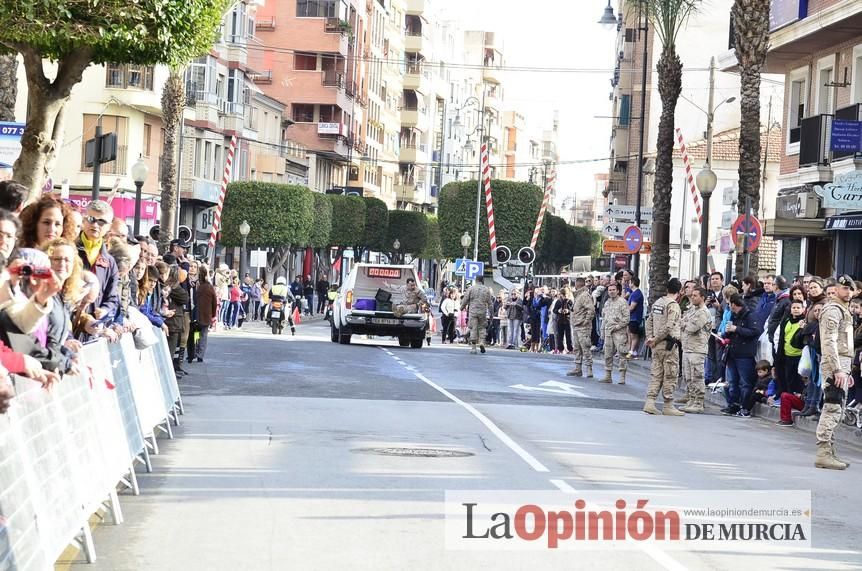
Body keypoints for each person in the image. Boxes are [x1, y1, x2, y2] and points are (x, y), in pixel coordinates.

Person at [814, 274, 856, 470]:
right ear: (836, 289)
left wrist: (847, 372)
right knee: (832, 407)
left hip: (843, 365)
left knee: (838, 408)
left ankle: (830, 450)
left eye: (850, 289)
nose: (848, 292)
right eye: (844, 288)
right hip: (834, 364)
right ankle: (823, 452)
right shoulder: (833, 310)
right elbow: (828, 342)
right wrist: (838, 370)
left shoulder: (844, 310)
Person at [643, 278, 684, 416]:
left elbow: (649, 321)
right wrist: (656, 338)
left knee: (656, 373)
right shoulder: (673, 305)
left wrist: (651, 338)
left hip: (656, 345)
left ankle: (650, 402)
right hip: (668, 345)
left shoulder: (658, 303)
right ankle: (668, 405)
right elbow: (669, 325)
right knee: (670, 374)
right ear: (679, 291)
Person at [75, 200, 119, 324]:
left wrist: (105, 310)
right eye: (91, 219)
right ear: (83, 220)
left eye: (101, 222)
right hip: (68, 325)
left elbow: (112, 298)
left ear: (109, 227)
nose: (95, 225)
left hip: (93, 328)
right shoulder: (69, 250)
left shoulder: (110, 262)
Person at [721, 294, 760, 417]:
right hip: (733, 352)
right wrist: (726, 333)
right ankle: (734, 404)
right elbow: (731, 332)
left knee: (745, 382)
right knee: (733, 381)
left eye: (730, 304)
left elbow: (754, 331)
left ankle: (744, 407)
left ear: (733, 304)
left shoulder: (750, 315)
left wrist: (736, 329)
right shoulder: (734, 315)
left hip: (744, 354)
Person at [679, 286, 712, 413]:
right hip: (688, 347)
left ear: (702, 297)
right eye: (692, 295)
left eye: (695, 295)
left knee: (697, 376)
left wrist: (684, 323)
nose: (692, 297)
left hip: (697, 349)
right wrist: (684, 323)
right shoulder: (693, 310)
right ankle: (691, 400)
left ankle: (698, 402)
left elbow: (692, 328)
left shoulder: (703, 312)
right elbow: (682, 321)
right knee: (688, 376)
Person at [600, 281, 629, 385]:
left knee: (622, 354)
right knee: (607, 354)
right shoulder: (607, 303)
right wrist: (602, 331)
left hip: (619, 331)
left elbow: (626, 318)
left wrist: (618, 326)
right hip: (608, 331)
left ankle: (622, 377)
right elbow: (604, 318)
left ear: (617, 291)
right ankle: (608, 375)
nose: (611, 292)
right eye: (609, 290)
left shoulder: (622, 302)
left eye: (613, 290)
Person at [568, 277, 595, 377]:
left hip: (583, 326)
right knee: (577, 348)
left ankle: (589, 369)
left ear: (577, 285)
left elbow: (591, 310)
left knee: (585, 347)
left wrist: (586, 321)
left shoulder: (584, 295)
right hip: (576, 325)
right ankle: (578, 368)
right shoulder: (578, 296)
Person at [460, 275, 494, 354]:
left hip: (473, 311)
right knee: (482, 327)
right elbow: (490, 303)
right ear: (482, 280)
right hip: (482, 311)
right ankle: (482, 342)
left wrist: (462, 307)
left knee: (473, 328)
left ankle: (473, 347)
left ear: (476, 280)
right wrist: (491, 313)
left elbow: (465, 299)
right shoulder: (486, 290)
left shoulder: (471, 288)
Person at [195, 266, 217, 362]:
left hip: (196, 313)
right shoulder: (209, 287)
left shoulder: (197, 286)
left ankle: (195, 351)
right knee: (203, 335)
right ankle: (200, 354)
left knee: (196, 333)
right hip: (206, 314)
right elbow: (214, 302)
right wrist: (213, 314)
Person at [627, 276, 644, 358]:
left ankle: (632, 351)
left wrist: (625, 311)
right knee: (631, 334)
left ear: (632, 283)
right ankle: (631, 350)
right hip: (632, 318)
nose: (628, 284)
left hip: (635, 318)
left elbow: (632, 307)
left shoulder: (636, 294)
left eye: (629, 282)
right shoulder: (633, 293)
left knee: (634, 335)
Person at [553, 288, 573, 354]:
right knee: (560, 336)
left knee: (568, 336)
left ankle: (570, 349)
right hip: (560, 320)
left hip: (567, 320)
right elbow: (554, 310)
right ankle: (560, 349)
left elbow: (572, 309)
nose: (563, 296)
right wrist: (558, 311)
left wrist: (568, 311)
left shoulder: (569, 301)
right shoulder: (558, 301)